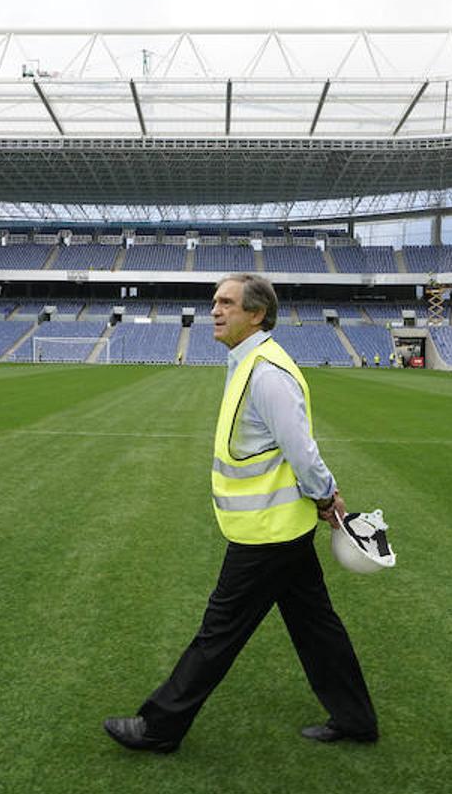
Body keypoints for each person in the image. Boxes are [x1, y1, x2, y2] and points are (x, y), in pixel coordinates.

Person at [103, 273, 378, 753]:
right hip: (279, 530)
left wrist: (326, 496)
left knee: (219, 633)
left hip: (267, 535)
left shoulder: (266, 373)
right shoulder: (248, 363)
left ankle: (159, 727)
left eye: (226, 302)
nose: (214, 310)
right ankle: (355, 719)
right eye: (214, 302)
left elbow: (301, 449)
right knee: (317, 628)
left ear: (257, 314)